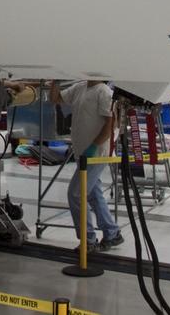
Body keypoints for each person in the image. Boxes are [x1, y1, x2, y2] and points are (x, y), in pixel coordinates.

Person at [49, 79, 123, 251]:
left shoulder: (104, 92)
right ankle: (112, 233)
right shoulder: (80, 87)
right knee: (93, 194)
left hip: (96, 155)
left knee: (75, 194)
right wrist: (56, 81)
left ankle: (88, 240)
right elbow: (55, 99)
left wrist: (94, 146)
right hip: (82, 153)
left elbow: (110, 124)